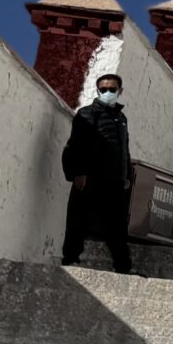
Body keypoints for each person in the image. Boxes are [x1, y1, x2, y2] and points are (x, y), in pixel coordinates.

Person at [59, 71, 135, 272]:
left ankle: (123, 266)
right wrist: (79, 172)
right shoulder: (86, 114)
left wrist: (127, 174)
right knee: (78, 219)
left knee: (117, 225)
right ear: (98, 90)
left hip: (115, 180)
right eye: (103, 89)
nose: (108, 92)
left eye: (112, 89)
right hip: (90, 177)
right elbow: (75, 145)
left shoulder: (122, 118)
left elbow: (123, 148)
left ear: (120, 91)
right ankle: (70, 258)